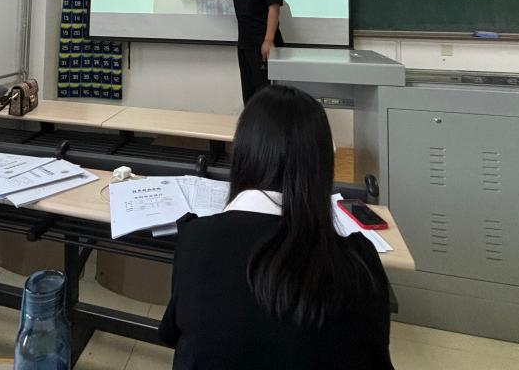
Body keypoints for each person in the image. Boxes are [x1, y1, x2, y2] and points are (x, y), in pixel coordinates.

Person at [159, 84, 393, 369]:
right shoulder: (359, 264)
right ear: (321, 166)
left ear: (243, 154)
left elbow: (171, 333)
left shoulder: (196, 239)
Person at [176, 0, 285, 104]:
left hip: (264, 44)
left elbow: (274, 9)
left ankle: (267, 121)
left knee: (266, 92)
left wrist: (268, 40)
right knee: (248, 90)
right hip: (245, 44)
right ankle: (250, 120)